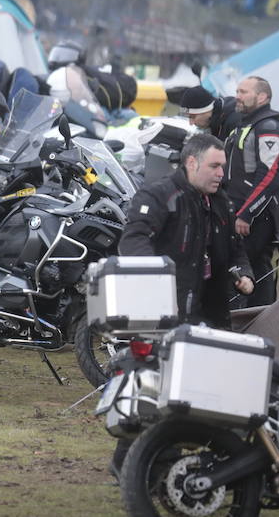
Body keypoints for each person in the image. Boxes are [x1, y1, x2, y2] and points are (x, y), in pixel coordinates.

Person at [111, 132, 253, 473]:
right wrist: (159, 283)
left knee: (198, 392)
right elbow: (133, 241)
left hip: (208, 311)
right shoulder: (159, 195)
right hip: (165, 311)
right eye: (214, 166)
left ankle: (180, 456)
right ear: (191, 163)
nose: (221, 173)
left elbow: (234, 251)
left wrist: (242, 272)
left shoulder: (221, 202)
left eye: (223, 166)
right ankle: (130, 462)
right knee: (154, 390)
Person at [223, 76, 279, 307]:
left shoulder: (268, 127)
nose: (237, 96)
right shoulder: (246, 124)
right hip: (240, 209)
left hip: (258, 215)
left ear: (262, 97)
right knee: (253, 265)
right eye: (237, 91)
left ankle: (255, 314)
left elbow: (270, 175)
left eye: (243, 92)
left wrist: (246, 213)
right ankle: (256, 313)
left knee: (250, 265)